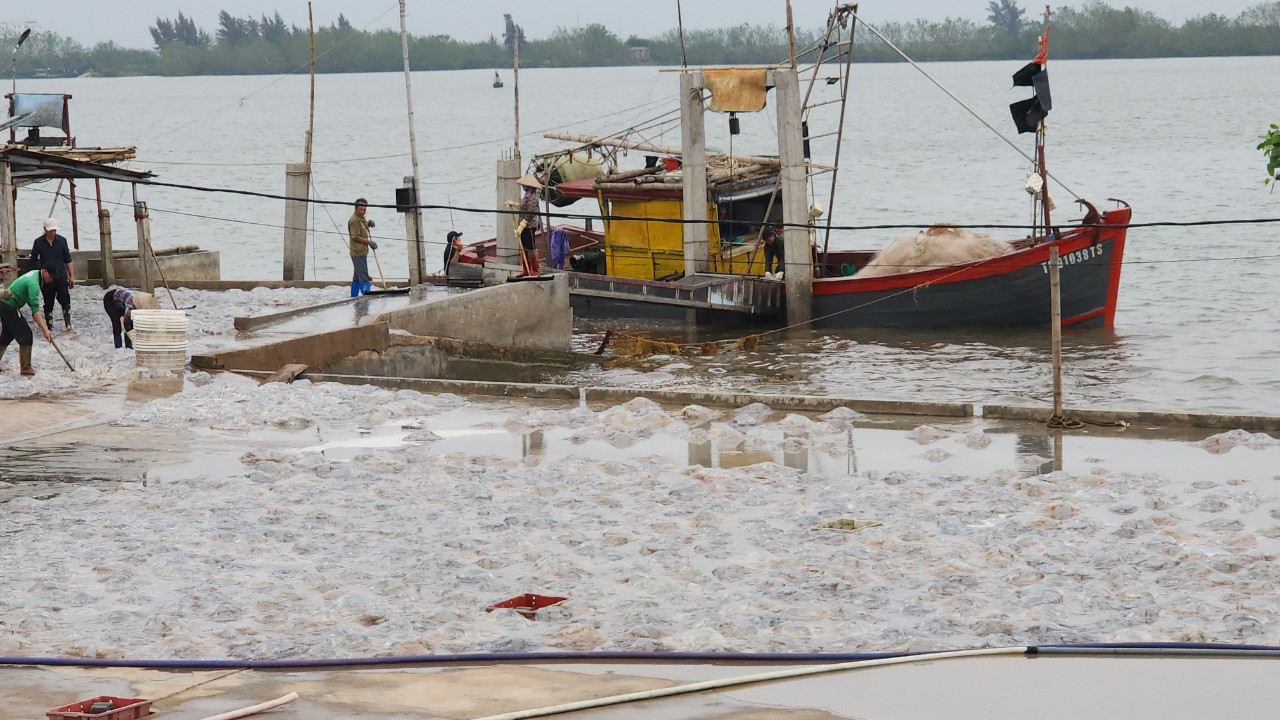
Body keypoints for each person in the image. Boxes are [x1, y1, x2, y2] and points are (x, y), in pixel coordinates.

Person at [0, 262, 57, 376]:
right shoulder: (33, 284)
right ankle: (26, 367)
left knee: (7, 335)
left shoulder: (35, 274)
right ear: (44, 271)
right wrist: (45, 330)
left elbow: (31, 302)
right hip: (9, 305)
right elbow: (35, 313)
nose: (51, 279)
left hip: (4, 304)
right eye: (50, 276)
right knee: (26, 335)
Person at [30, 217, 76, 332]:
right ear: (45, 229)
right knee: (48, 301)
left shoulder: (62, 241)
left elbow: (68, 260)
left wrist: (72, 276)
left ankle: (68, 324)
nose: (53, 232)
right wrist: (35, 277)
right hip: (46, 278)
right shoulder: (38, 242)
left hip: (61, 276)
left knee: (65, 299)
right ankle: (49, 326)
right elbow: (33, 261)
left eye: (54, 230)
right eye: (51, 230)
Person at [347, 198, 376, 297]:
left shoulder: (362, 218)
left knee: (356, 276)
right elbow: (355, 237)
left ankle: (353, 296)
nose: (363, 211)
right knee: (363, 275)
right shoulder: (354, 220)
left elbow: (362, 228)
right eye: (360, 209)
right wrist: (368, 242)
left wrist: (368, 224)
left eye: (364, 209)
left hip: (362, 252)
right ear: (355, 209)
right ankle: (366, 296)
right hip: (357, 252)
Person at [515, 175, 543, 276]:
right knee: (524, 247)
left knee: (531, 247)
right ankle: (526, 269)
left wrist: (524, 223)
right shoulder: (527, 195)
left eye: (524, 185)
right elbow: (524, 206)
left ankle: (535, 270)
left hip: (530, 225)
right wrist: (516, 205)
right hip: (523, 225)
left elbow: (531, 212)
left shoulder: (533, 196)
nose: (522, 186)